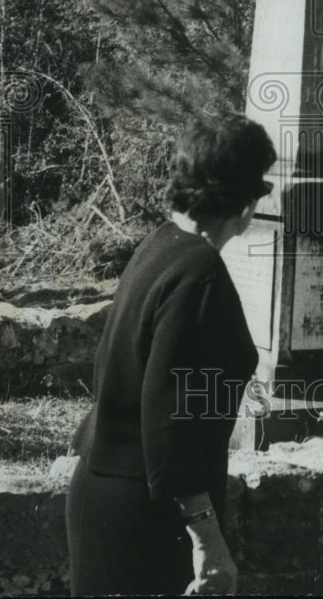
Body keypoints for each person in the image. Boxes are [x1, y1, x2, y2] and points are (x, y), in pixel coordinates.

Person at [66, 115, 276, 596]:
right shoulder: (199, 272)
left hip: (102, 487)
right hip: (148, 516)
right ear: (245, 203)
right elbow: (171, 421)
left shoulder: (159, 244)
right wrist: (207, 541)